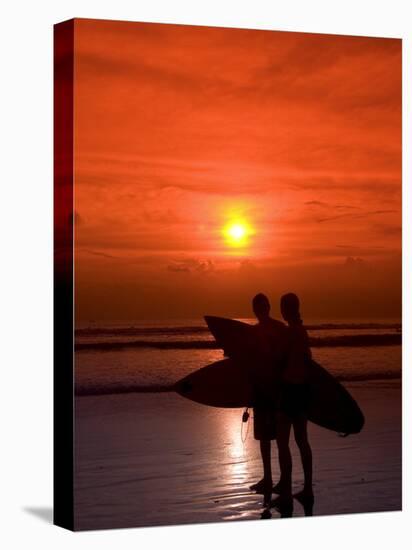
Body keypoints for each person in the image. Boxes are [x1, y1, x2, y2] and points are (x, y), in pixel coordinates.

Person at [273, 292, 313, 505]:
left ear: (287, 309)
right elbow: (308, 361)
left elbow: (279, 359)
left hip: (289, 390)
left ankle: (286, 490)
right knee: (302, 441)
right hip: (302, 390)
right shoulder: (302, 332)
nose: (281, 310)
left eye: (282, 306)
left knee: (282, 442)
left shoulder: (290, 333)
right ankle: (307, 489)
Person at [248, 293, 289, 497]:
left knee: (281, 438)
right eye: (257, 307)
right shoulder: (253, 332)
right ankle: (268, 477)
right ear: (254, 310)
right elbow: (247, 359)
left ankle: (283, 480)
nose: (260, 310)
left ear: (268, 307)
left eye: (262, 306)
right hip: (260, 390)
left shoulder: (280, 329)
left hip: (277, 390)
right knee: (264, 438)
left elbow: (289, 356)